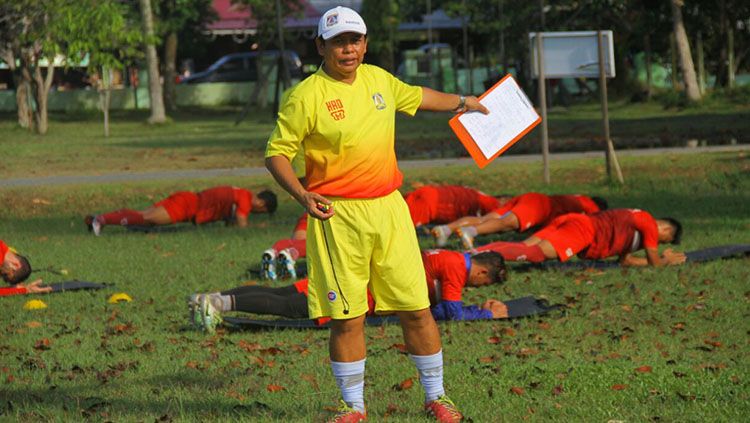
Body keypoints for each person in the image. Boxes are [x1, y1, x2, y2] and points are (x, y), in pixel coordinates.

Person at [264, 6, 488, 422]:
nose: (347, 49)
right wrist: (301, 194)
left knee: (417, 306)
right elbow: (276, 154)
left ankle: (437, 397)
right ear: (321, 46)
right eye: (337, 42)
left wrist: (463, 101)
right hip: (337, 216)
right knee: (348, 316)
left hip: (389, 209)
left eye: (354, 40)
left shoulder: (380, 79)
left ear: (364, 44)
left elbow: (419, 96)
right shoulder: (305, 96)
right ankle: (353, 407)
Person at [191, 249, 509, 331]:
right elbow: (449, 314)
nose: (477, 288)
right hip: (357, 294)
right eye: (483, 284)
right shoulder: (457, 269)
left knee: (286, 293)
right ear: (482, 272)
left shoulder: (449, 257)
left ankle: (212, 298)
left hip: (355, 278)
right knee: (290, 307)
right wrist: (483, 313)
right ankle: (216, 304)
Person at [475, 209, 686, 267]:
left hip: (577, 222)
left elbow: (626, 261)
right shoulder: (648, 223)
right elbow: (655, 263)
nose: (657, 244)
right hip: (584, 231)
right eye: (663, 241)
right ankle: (477, 254)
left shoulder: (632, 231)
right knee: (536, 254)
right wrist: (667, 259)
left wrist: (649, 261)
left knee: (524, 247)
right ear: (666, 230)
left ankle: (477, 252)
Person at [432, 192, 608, 249]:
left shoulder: (579, 198)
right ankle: (470, 232)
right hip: (540, 207)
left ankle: (446, 229)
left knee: (488, 218)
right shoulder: (591, 206)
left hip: (532, 199)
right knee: (507, 223)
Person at [84, 186, 277, 235]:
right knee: (145, 218)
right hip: (187, 206)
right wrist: (253, 230)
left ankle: (102, 218)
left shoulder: (240, 193)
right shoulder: (245, 199)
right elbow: (241, 225)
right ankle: (101, 220)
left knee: (144, 215)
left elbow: (229, 219)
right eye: (261, 212)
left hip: (187, 200)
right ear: (262, 204)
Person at [404, 184, 508, 230]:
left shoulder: (479, 194)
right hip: (432, 204)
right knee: (401, 230)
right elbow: (500, 220)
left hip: (429, 192)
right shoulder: (493, 204)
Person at [260, 213, 308, 280]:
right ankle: (290, 253)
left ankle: (273, 252)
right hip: (325, 214)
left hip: (311, 212)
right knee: (318, 244)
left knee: (299, 242)